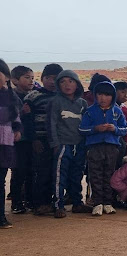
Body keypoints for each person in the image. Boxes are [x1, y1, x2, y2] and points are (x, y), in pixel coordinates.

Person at [47, 70, 93, 218]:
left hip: (79, 144)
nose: (67, 85)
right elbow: (51, 124)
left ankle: (77, 202)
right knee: (60, 175)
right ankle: (58, 205)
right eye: (62, 81)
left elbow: (87, 125)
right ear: (58, 85)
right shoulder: (55, 102)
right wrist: (55, 143)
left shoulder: (82, 103)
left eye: (71, 81)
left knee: (77, 174)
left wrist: (86, 144)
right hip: (63, 144)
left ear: (77, 84)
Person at [79, 80, 127, 216]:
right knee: (95, 175)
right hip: (95, 147)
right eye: (100, 94)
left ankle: (108, 202)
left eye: (107, 95)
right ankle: (97, 203)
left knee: (109, 174)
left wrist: (115, 129)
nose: (103, 98)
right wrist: (95, 129)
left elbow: (125, 128)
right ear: (95, 95)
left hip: (112, 147)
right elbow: (82, 129)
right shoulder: (90, 111)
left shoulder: (117, 111)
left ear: (112, 96)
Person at [24, 63, 63, 215]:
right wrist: (34, 139)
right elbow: (27, 121)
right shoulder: (33, 96)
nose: (52, 82)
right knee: (42, 171)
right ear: (42, 78)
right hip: (40, 140)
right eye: (48, 78)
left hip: (58, 140)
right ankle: (39, 203)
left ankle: (52, 201)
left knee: (56, 172)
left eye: (55, 79)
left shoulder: (62, 97)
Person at [9, 65, 34, 214]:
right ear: (14, 80)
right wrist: (22, 113)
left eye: (32, 78)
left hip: (31, 138)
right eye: (26, 77)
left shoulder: (33, 96)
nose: (31, 81)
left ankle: (30, 200)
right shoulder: (11, 97)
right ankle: (16, 202)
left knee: (32, 170)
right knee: (19, 171)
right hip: (17, 141)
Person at [0, 59, 23, 228]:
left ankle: (0, 216)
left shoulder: (10, 96)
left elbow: (16, 116)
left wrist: (17, 130)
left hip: (5, 144)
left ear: (6, 77)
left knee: (1, 181)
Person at [114, 81, 127, 157]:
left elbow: (125, 129)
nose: (125, 96)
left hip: (121, 142)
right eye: (122, 92)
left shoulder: (124, 109)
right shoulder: (106, 107)